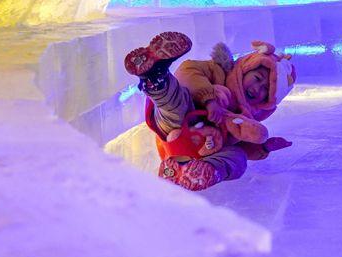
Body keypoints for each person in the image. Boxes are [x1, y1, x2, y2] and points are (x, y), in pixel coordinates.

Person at [124, 31, 296, 190]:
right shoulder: (218, 70)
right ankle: (156, 77)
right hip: (175, 130)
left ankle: (201, 172)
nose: (258, 88)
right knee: (178, 104)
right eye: (257, 78)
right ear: (245, 69)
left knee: (238, 158)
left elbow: (243, 146)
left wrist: (263, 148)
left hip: (200, 154)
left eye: (267, 90)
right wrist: (209, 98)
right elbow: (188, 71)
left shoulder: (247, 117)